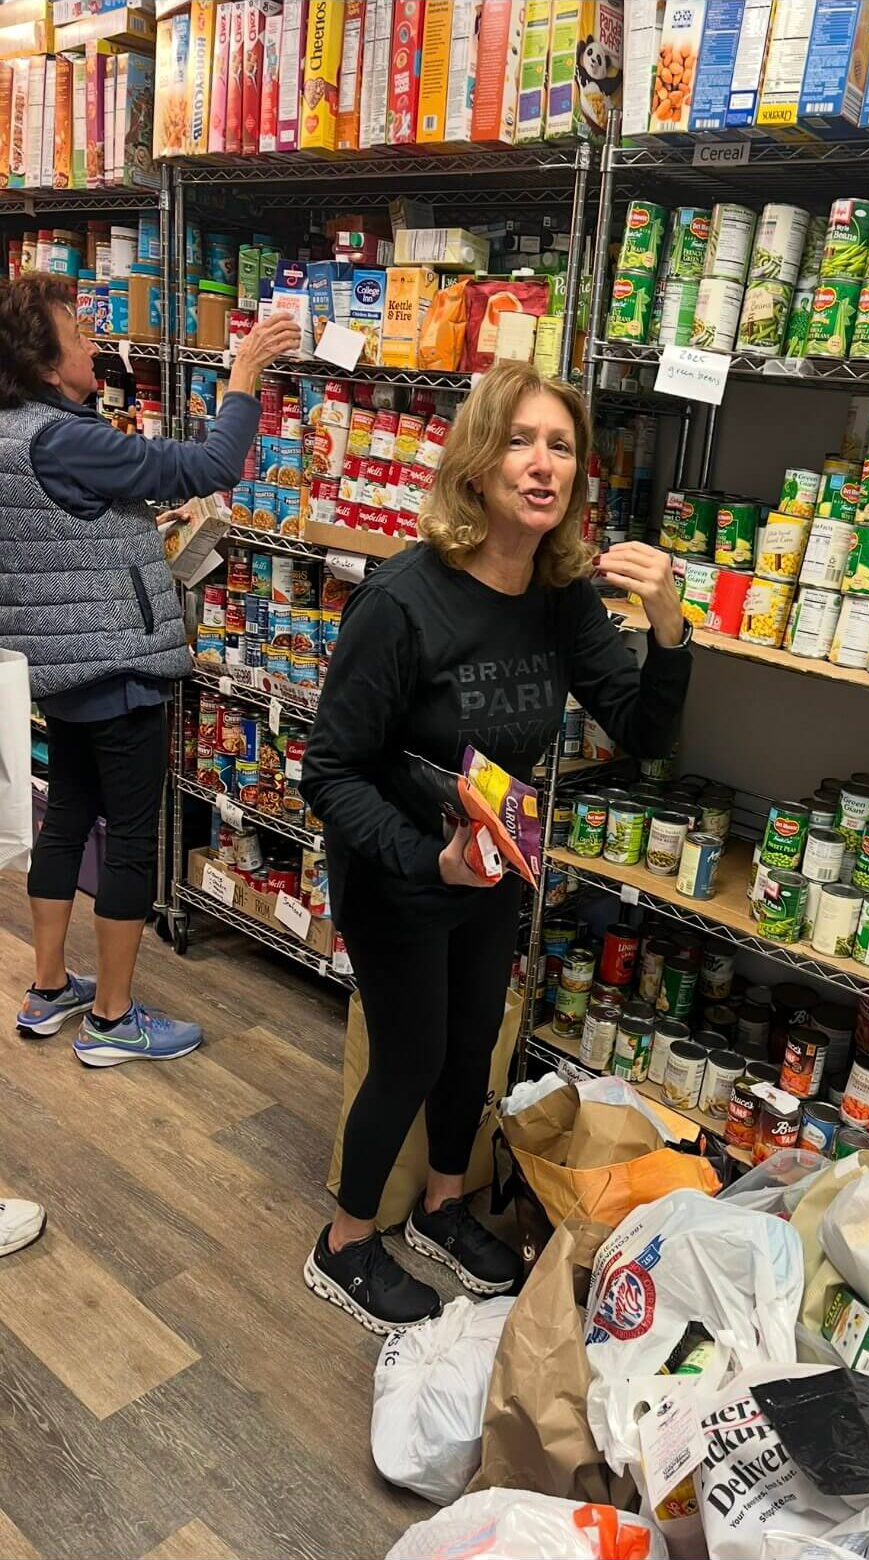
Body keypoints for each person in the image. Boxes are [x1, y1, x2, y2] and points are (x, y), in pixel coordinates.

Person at [300, 360, 693, 1333]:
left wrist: (671, 624)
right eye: (520, 439)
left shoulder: (558, 599)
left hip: (492, 860)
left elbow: (644, 732)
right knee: (411, 1051)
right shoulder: (403, 600)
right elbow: (329, 770)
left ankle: (441, 1206)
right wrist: (422, 857)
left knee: (475, 1038)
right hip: (399, 869)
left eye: (561, 445)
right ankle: (345, 1243)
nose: (543, 462)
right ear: (477, 462)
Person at [0, 274, 301, 1065]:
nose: (92, 340)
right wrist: (242, 380)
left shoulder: (14, 429)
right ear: (42, 357)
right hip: (119, 665)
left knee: (64, 819)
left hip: (59, 665)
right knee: (131, 839)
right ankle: (112, 1019)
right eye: (76, 330)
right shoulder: (68, 439)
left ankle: (49, 988)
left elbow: (57, 532)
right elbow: (210, 463)